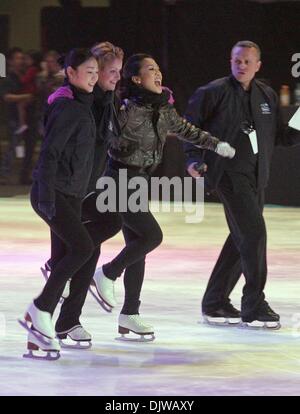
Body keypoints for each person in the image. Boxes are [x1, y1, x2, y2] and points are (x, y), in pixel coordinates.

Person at [92, 53, 235, 341]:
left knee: (138, 247)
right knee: (150, 237)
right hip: (119, 178)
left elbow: (186, 130)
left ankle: (130, 314)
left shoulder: (164, 108)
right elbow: (103, 131)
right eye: (150, 69)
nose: (158, 73)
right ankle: (106, 273)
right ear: (136, 79)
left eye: (158, 68)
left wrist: (216, 144)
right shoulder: (126, 108)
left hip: (140, 180)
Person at [184, 40, 300, 329]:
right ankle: (254, 304)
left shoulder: (266, 95)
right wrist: (192, 160)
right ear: (230, 61)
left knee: (241, 240)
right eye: (237, 60)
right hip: (228, 174)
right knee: (254, 235)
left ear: (258, 65)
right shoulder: (213, 93)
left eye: (248, 61)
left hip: (257, 177)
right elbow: (189, 128)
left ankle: (215, 302)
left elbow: (281, 135)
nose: (242, 65)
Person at [19, 48, 99, 359]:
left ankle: (39, 331)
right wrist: (48, 198)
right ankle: (39, 309)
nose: (93, 76)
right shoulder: (69, 108)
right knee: (82, 247)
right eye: (88, 71)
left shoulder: (81, 105)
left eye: (96, 71)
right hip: (53, 192)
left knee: (71, 251)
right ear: (71, 72)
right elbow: (50, 153)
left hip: (69, 193)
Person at [0, 48, 32, 185]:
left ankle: (23, 175)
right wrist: (25, 97)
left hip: (27, 118)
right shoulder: (8, 79)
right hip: (14, 118)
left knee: (24, 147)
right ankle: (3, 173)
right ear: (11, 61)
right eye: (18, 58)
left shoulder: (24, 76)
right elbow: (6, 97)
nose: (21, 61)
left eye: (22, 58)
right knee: (13, 146)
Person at [15, 50, 43, 135]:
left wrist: (19, 75)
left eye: (27, 59)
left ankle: (23, 124)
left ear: (33, 60)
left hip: (30, 92)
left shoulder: (32, 69)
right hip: (31, 92)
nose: (25, 61)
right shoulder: (33, 69)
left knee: (21, 106)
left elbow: (25, 80)